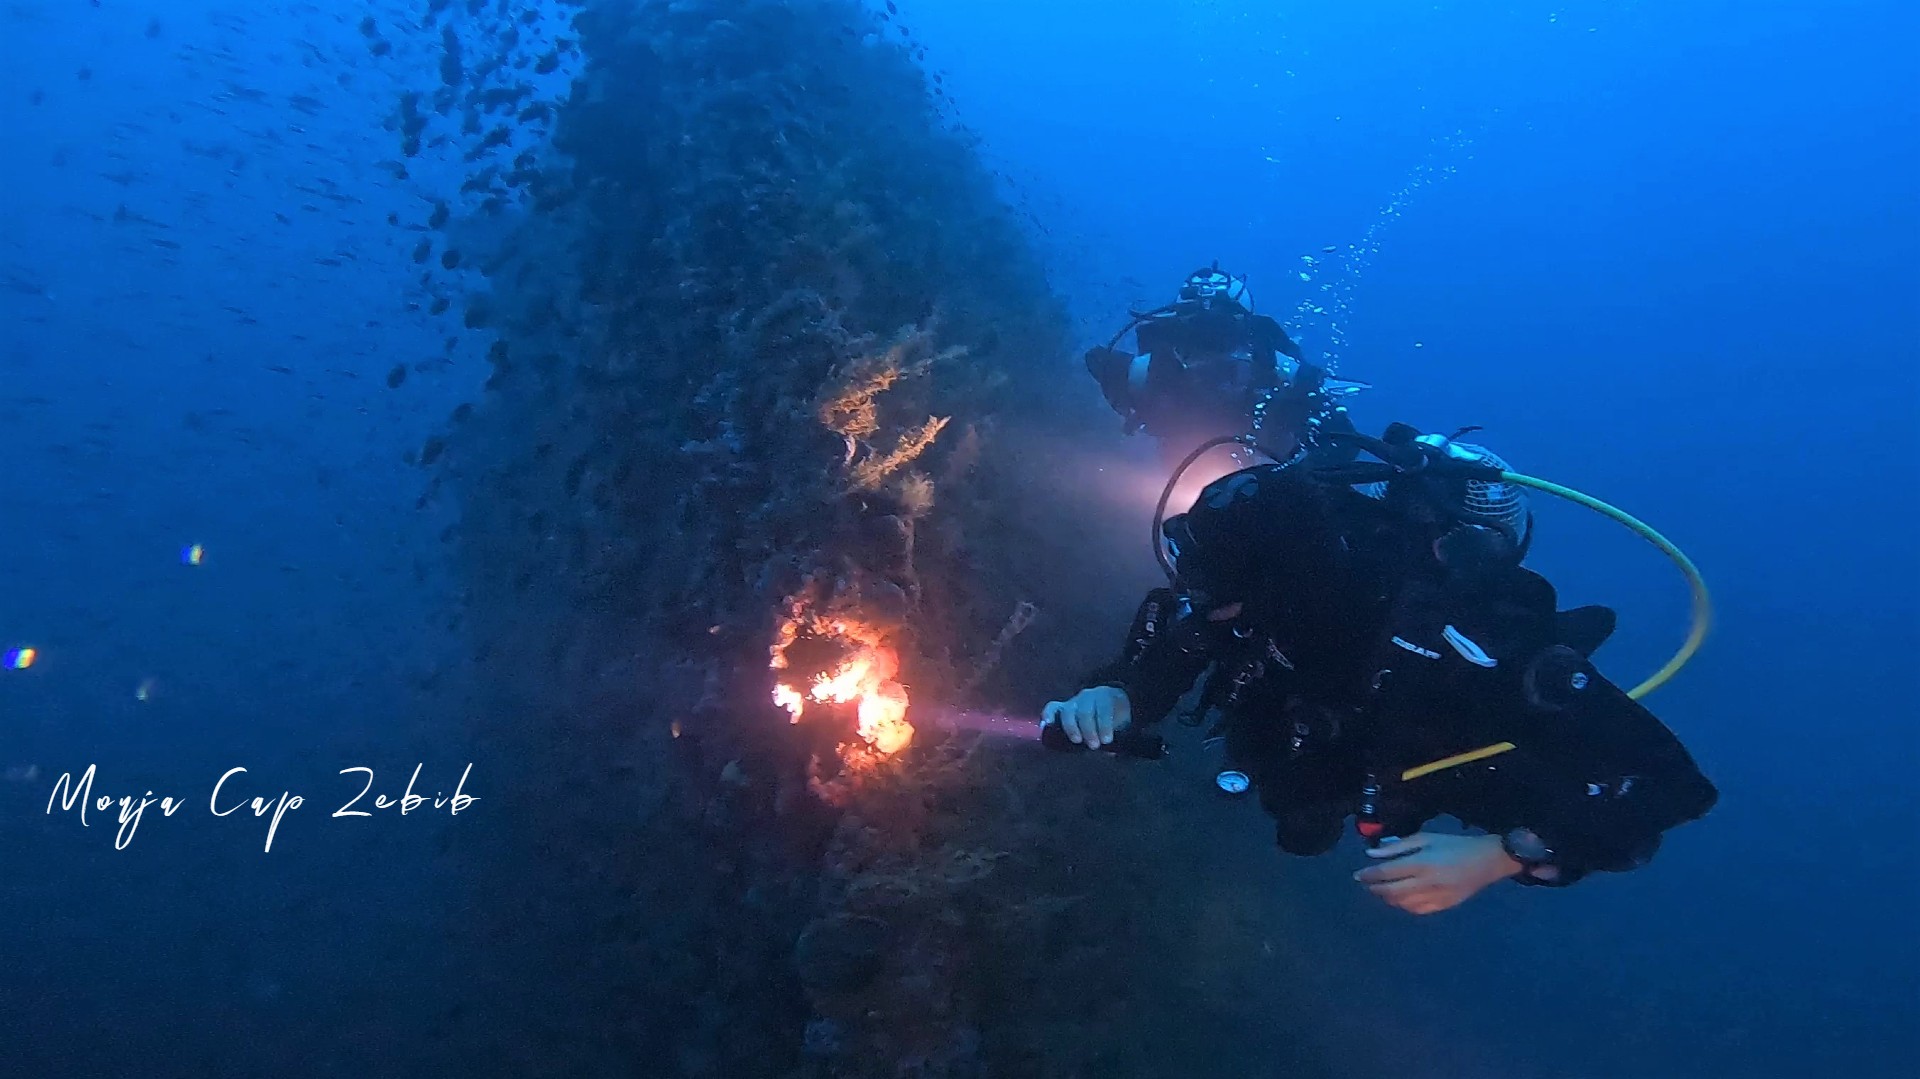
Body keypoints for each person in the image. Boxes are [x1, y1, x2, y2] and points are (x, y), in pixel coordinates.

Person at [1041, 423, 1718, 915]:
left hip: (1420, 749)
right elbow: (1182, 640)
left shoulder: (1475, 644)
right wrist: (1119, 692)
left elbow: (1671, 788)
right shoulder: (1267, 583)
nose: (1206, 610)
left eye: (1219, 597)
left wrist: (1498, 856)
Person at [1083, 263, 1367, 470]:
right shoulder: (1151, 373)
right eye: (1198, 344)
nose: (1213, 367)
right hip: (1188, 479)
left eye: (1225, 343)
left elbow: (1342, 439)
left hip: (1275, 482)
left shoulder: (1286, 378)